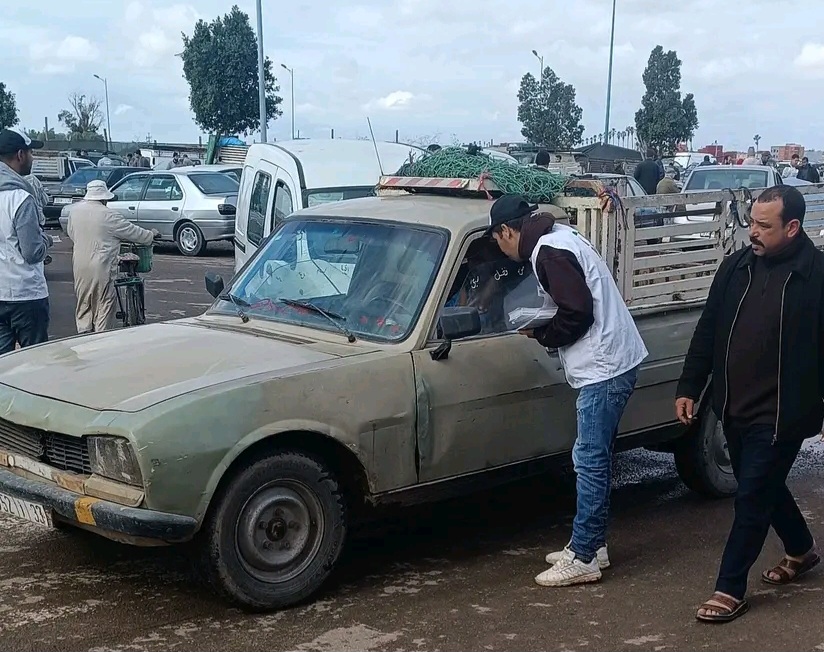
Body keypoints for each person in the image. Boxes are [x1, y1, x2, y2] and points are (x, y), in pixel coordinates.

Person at [676, 185, 823, 623]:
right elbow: (708, 329)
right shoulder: (735, 267)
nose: (752, 232)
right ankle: (801, 549)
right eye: (751, 222)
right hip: (733, 407)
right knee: (763, 485)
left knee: (753, 496)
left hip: (782, 414)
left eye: (763, 225)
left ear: (792, 228)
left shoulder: (817, 276)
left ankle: (729, 588)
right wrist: (689, 385)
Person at [486, 195, 648, 587]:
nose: (500, 248)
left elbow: (577, 312)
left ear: (506, 231)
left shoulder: (549, 252)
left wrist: (542, 333)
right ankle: (593, 544)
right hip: (613, 361)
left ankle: (585, 556)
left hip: (603, 368)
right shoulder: (559, 236)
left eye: (497, 240)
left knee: (589, 460)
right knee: (593, 457)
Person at [66, 180, 158, 333]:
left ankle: (83, 333)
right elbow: (134, 232)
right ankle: (101, 337)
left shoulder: (74, 211)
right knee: (104, 302)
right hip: (101, 266)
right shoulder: (109, 215)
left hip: (79, 265)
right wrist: (151, 235)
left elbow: (72, 234)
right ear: (104, 198)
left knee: (84, 301)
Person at [0, 127, 53, 354]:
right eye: (31, 152)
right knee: (35, 361)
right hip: (26, 294)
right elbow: (32, 252)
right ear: (20, 155)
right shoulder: (21, 198)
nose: (33, 157)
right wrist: (46, 240)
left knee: (4, 366)